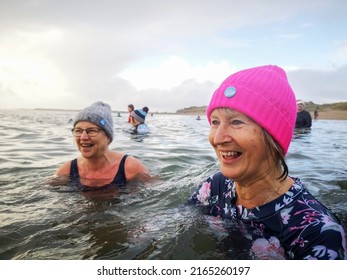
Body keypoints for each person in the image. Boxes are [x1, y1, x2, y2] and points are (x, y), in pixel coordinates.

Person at [189, 65, 347, 260]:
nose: (217, 138)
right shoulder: (214, 187)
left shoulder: (317, 234)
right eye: (214, 122)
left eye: (236, 122)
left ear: (274, 136)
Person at [54, 101, 151, 188]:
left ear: (108, 137)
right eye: (78, 131)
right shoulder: (67, 171)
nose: (83, 137)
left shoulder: (130, 168)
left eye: (91, 131)